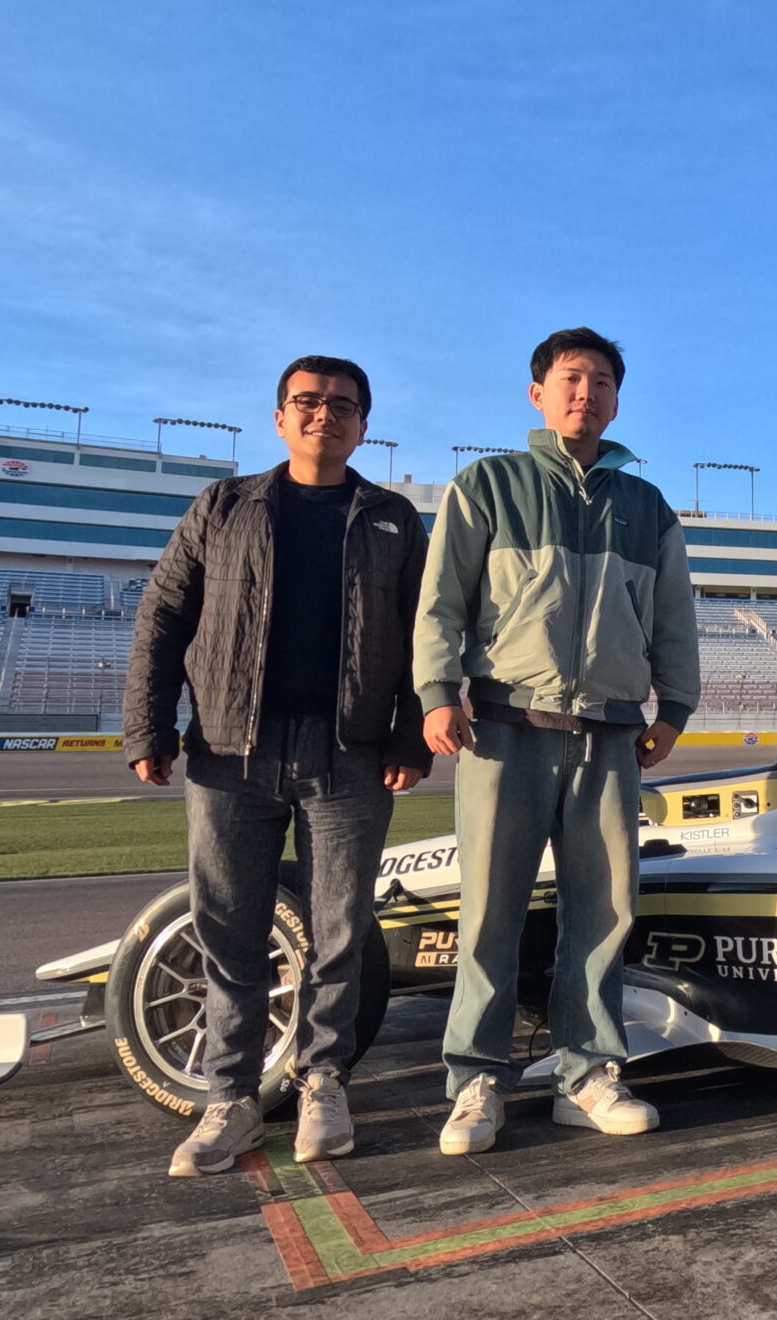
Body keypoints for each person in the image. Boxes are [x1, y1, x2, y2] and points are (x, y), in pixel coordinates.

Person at [124, 355, 433, 1177]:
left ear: (365, 423)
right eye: (307, 401)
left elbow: (424, 639)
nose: (323, 414)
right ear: (278, 417)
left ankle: (324, 1077)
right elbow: (161, 614)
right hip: (228, 751)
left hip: (352, 753)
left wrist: (409, 736)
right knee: (230, 929)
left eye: (342, 404)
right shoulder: (222, 506)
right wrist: (147, 724)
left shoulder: (395, 518)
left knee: (340, 928)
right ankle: (229, 1098)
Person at [415, 326, 699, 1155]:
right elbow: (440, 605)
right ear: (537, 392)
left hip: (609, 737)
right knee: (489, 913)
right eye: (572, 377)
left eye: (604, 380)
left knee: (605, 910)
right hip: (504, 730)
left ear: (618, 398)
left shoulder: (646, 507)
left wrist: (674, 708)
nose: (588, 392)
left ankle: (587, 1074)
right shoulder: (487, 486)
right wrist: (438, 693)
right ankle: (475, 1079)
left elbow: (673, 617)